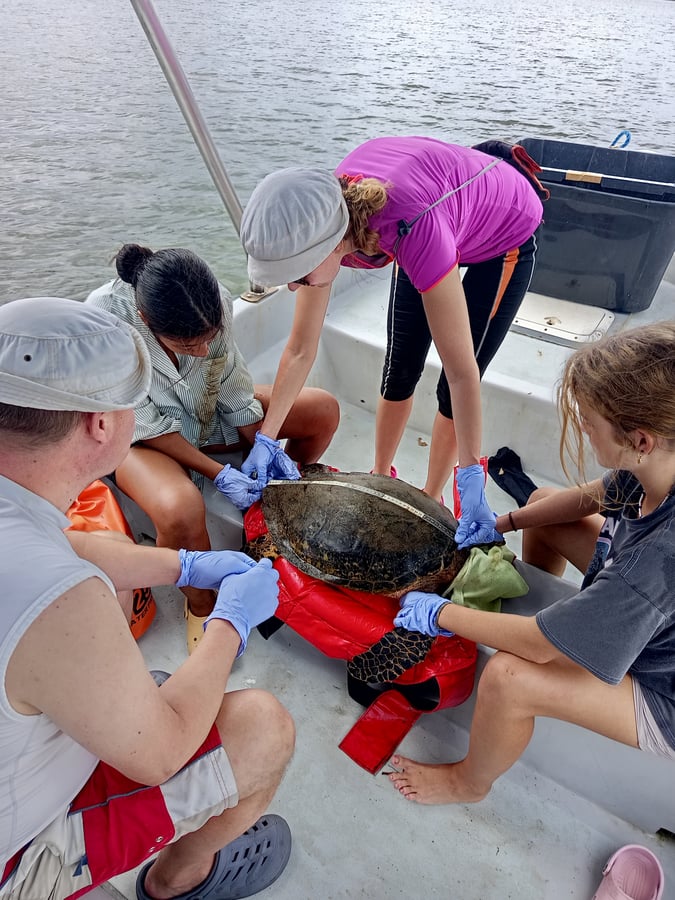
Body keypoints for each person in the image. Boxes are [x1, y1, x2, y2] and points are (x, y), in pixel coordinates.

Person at [0, 297, 295, 900]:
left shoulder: (21, 519)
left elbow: (67, 550)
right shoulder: (62, 600)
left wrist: (186, 563)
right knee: (263, 728)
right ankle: (177, 879)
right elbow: (159, 754)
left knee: (113, 570)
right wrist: (231, 624)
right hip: (17, 857)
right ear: (101, 424)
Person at [381, 323, 675, 804]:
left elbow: (537, 649)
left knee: (508, 678)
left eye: (590, 421)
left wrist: (439, 612)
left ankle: (469, 783)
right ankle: (566, 614)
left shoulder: (655, 562)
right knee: (544, 503)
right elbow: (594, 497)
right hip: (649, 614)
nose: (582, 426)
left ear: (640, 439)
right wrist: (506, 522)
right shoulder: (658, 462)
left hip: (662, 689)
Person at [239, 135, 546, 548]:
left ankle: (433, 494)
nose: (295, 288)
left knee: (449, 383)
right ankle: (382, 476)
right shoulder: (323, 221)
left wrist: (470, 474)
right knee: (400, 366)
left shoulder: (413, 228)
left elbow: (461, 374)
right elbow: (299, 349)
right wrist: (267, 437)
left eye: (300, 276)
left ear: (332, 246)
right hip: (431, 211)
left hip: (502, 234)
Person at [86, 244, 339, 652]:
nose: (202, 352)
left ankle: (273, 514)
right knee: (180, 508)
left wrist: (265, 445)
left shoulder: (214, 300)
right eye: (189, 347)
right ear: (147, 321)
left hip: (205, 414)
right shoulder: (104, 320)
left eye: (208, 341)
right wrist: (217, 472)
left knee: (322, 411)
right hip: (138, 435)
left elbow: (233, 389)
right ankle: (203, 606)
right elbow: (143, 421)